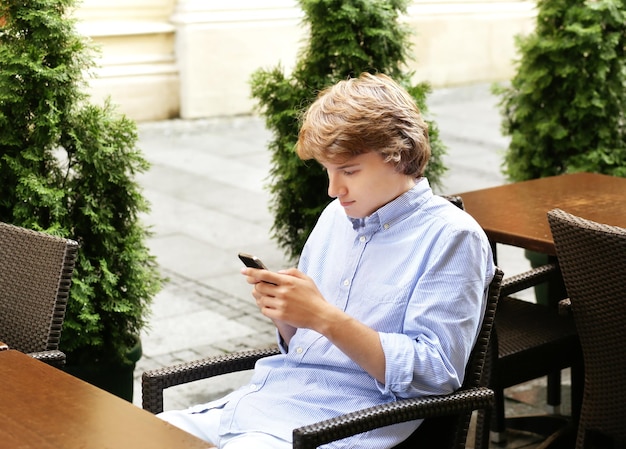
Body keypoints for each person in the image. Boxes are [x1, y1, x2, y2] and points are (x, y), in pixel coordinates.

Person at [158, 72, 495, 448]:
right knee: (147, 433)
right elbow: (303, 345)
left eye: (349, 171)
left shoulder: (452, 237)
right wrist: (288, 319)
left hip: (346, 422)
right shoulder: (336, 216)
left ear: (397, 155)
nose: (334, 190)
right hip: (268, 400)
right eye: (328, 171)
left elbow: (436, 373)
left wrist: (323, 317)